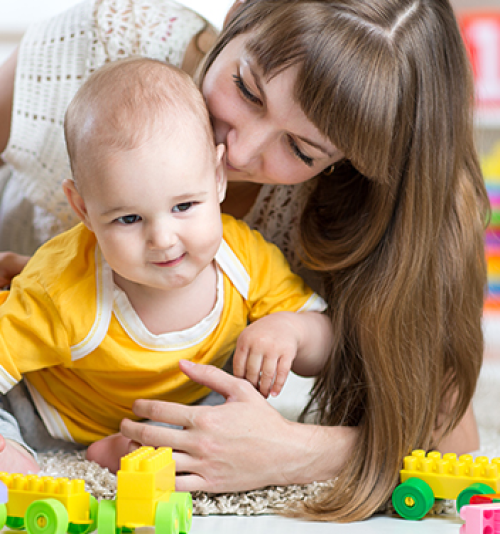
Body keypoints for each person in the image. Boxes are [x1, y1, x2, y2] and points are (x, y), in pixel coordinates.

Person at [0, 0, 489, 522]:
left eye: (301, 150)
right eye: (246, 88)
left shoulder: (350, 217)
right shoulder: (100, 46)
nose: (237, 150)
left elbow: (449, 449)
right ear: (238, 15)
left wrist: (293, 451)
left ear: (353, 164)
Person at [0, 56, 332, 475]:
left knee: (221, 406)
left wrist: (292, 330)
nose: (162, 239)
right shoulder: (61, 284)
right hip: (49, 413)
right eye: (128, 219)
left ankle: (131, 445)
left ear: (217, 178)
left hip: (175, 409)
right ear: (83, 209)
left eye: (184, 206)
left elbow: (326, 343)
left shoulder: (246, 260)